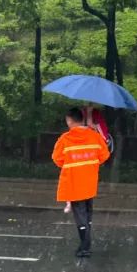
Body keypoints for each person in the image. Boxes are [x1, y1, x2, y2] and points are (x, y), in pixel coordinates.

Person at [52, 107, 111, 258]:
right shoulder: (94, 136)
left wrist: (72, 162)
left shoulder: (65, 139)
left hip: (74, 182)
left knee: (80, 215)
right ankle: (85, 243)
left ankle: (85, 246)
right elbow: (104, 155)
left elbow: (57, 159)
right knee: (87, 212)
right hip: (90, 180)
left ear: (69, 120)